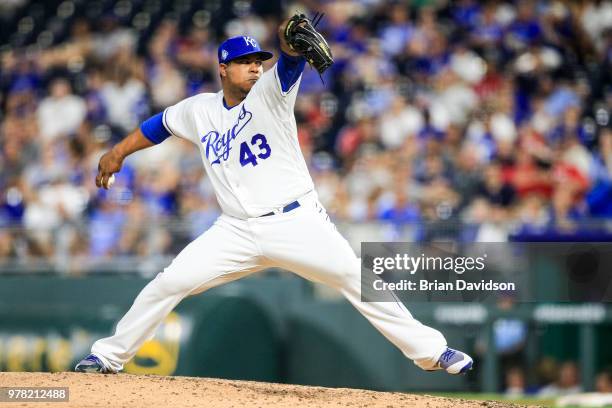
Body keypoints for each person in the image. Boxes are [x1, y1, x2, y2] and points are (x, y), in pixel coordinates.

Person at [74, 18, 473, 376]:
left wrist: (289, 39)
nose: (254, 66)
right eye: (245, 61)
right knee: (168, 283)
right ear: (223, 68)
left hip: (295, 221)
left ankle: (431, 352)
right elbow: (157, 125)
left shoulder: (270, 92)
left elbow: (289, 53)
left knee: (356, 276)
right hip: (234, 230)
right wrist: (117, 153)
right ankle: (108, 357)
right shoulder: (199, 110)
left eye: (257, 60)